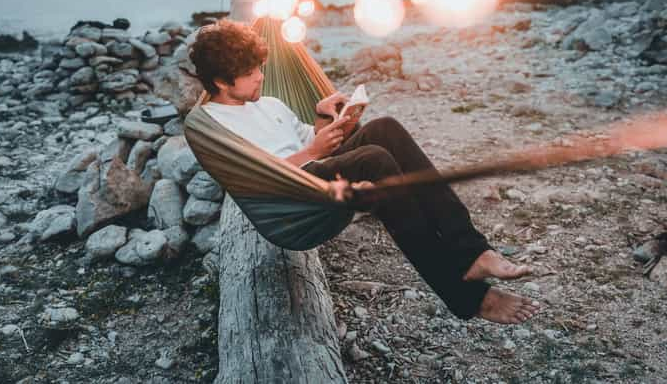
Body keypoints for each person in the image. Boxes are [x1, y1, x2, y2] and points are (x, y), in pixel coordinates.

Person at [189, 23, 540, 324]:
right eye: (251, 73)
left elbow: (307, 139)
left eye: (260, 68)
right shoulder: (218, 127)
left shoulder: (268, 103)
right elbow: (259, 178)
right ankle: (467, 297)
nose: (261, 76)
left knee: (386, 128)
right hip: (295, 195)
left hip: (320, 169)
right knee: (376, 160)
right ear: (221, 80)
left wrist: (325, 118)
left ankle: (473, 251)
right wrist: (312, 153)